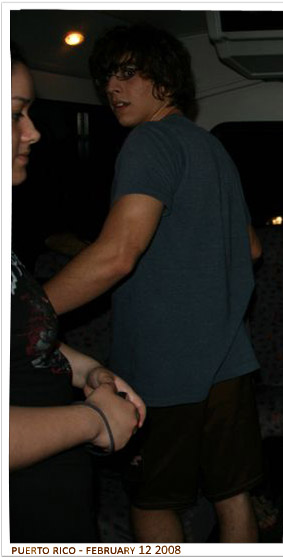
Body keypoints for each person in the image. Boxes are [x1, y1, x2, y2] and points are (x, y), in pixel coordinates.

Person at [42, 25, 263, 542]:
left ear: (165, 79)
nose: (112, 89)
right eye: (106, 78)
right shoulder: (210, 148)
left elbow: (119, 253)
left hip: (163, 365)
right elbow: (250, 247)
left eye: (127, 73)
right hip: (229, 360)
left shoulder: (149, 141)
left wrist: (28, 309)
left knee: (151, 502)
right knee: (233, 495)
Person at [9, 42, 145, 543]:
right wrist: (92, 420)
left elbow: (20, 336)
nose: (33, 132)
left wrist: (87, 367)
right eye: (17, 115)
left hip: (54, 493)